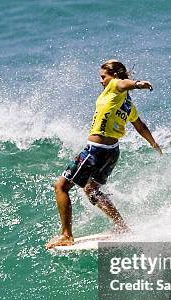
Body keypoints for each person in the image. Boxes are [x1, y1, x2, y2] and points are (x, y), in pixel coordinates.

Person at [46, 59, 162, 249]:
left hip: (95, 150)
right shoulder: (127, 104)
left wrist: (138, 84)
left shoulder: (115, 87)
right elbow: (140, 126)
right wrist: (153, 143)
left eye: (103, 77)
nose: (101, 81)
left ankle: (66, 235)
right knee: (91, 190)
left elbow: (123, 83)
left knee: (61, 187)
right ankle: (121, 226)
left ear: (114, 76)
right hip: (112, 152)